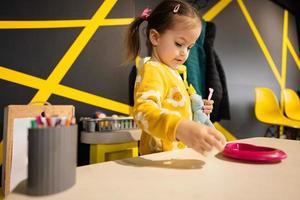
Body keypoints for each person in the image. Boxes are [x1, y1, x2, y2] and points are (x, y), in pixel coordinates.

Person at [125, 0, 226, 155]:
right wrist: (179, 127)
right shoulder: (153, 69)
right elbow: (143, 112)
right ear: (155, 37)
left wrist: (197, 108)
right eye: (179, 44)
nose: (185, 52)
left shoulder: (174, 72)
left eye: (189, 47)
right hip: (157, 159)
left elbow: (174, 106)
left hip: (174, 156)